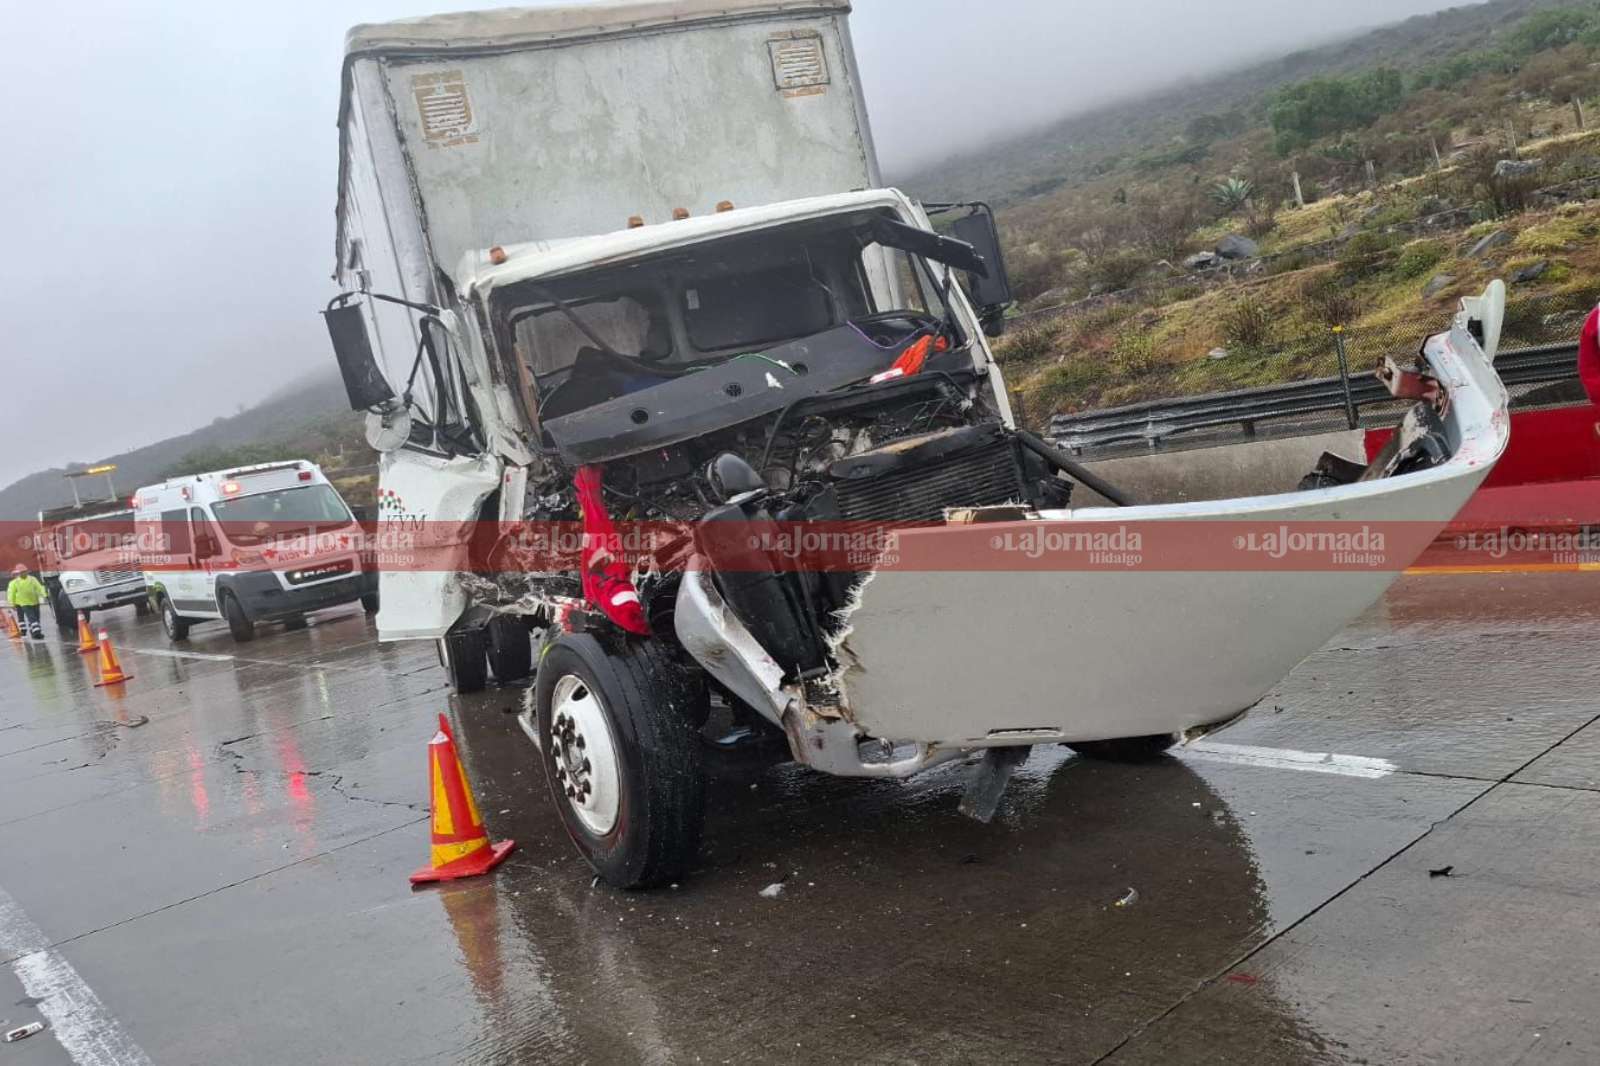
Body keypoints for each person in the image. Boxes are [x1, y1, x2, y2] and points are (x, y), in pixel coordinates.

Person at [7, 564, 47, 640]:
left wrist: (45, 595)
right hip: (24, 603)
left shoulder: (32, 579)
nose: (23, 573)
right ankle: (37, 633)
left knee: (36, 617)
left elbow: (39, 587)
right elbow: (11, 593)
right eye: (21, 572)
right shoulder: (15, 582)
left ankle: (33, 630)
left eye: (25, 572)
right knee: (32, 618)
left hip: (35, 601)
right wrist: (12, 603)